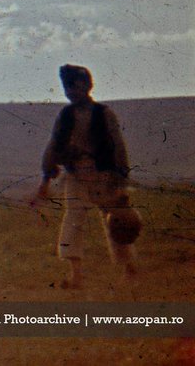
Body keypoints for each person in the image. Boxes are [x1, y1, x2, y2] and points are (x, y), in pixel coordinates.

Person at [34, 64, 137, 288]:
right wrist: (45, 177)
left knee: (117, 223)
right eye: (66, 87)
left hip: (104, 176)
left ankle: (129, 269)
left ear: (87, 86)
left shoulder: (105, 114)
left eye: (74, 86)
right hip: (76, 176)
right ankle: (76, 276)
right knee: (73, 221)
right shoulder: (65, 116)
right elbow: (54, 146)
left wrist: (121, 181)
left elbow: (118, 147)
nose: (70, 91)